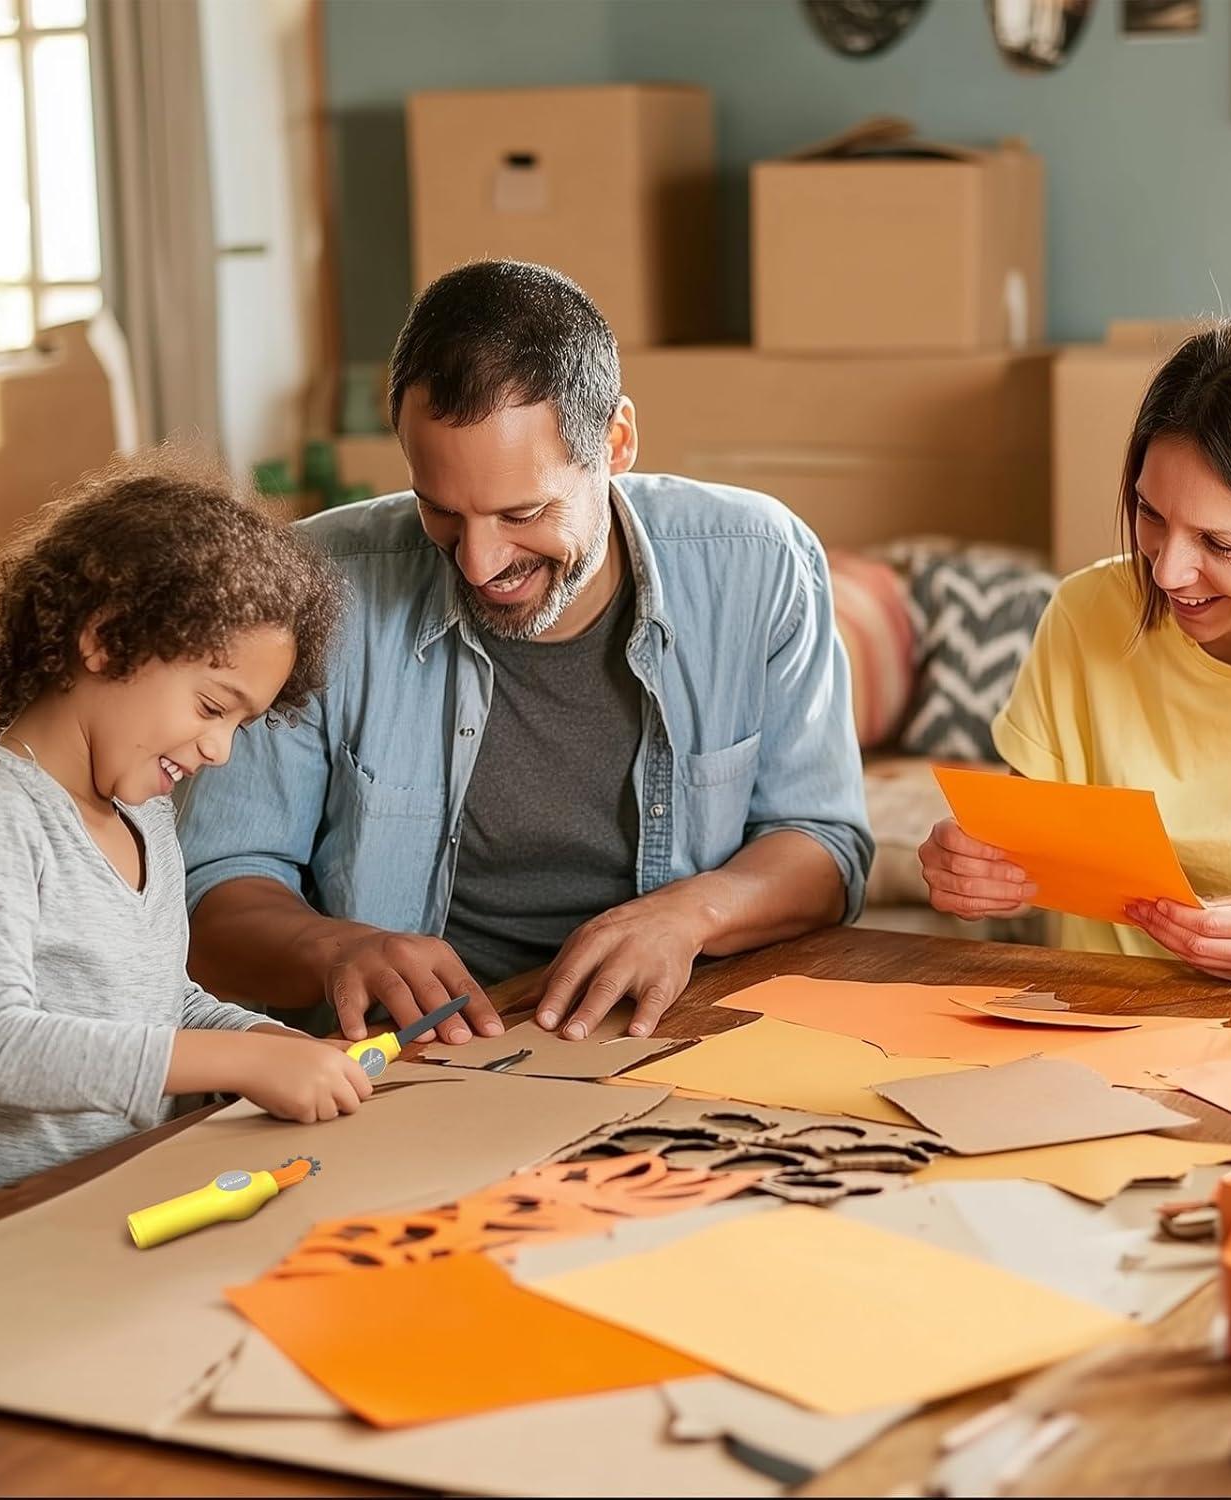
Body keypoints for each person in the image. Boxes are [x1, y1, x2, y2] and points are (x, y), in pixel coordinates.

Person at [181, 259, 873, 1045]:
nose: (478, 563)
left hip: (676, 1036)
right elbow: (216, 889)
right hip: (404, 1064)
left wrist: (689, 914)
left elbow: (825, 847)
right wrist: (337, 948)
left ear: (616, 442)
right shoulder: (313, 587)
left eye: (523, 512)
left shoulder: (760, 560)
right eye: (440, 510)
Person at [0, 455, 373, 1231]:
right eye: (213, 706)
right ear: (107, 640)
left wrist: (266, 1038)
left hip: (104, 1216)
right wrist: (240, 1063)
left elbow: (152, 1002)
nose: (221, 750)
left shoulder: (146, 820)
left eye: (241, 725)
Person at [919, 317, 1231, 982]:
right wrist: (972, 869)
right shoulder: (1085, 616)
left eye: (1218, 545)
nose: (1166, 573)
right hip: (1101, 1021)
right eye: (1151, 516)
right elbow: (1029, 853)